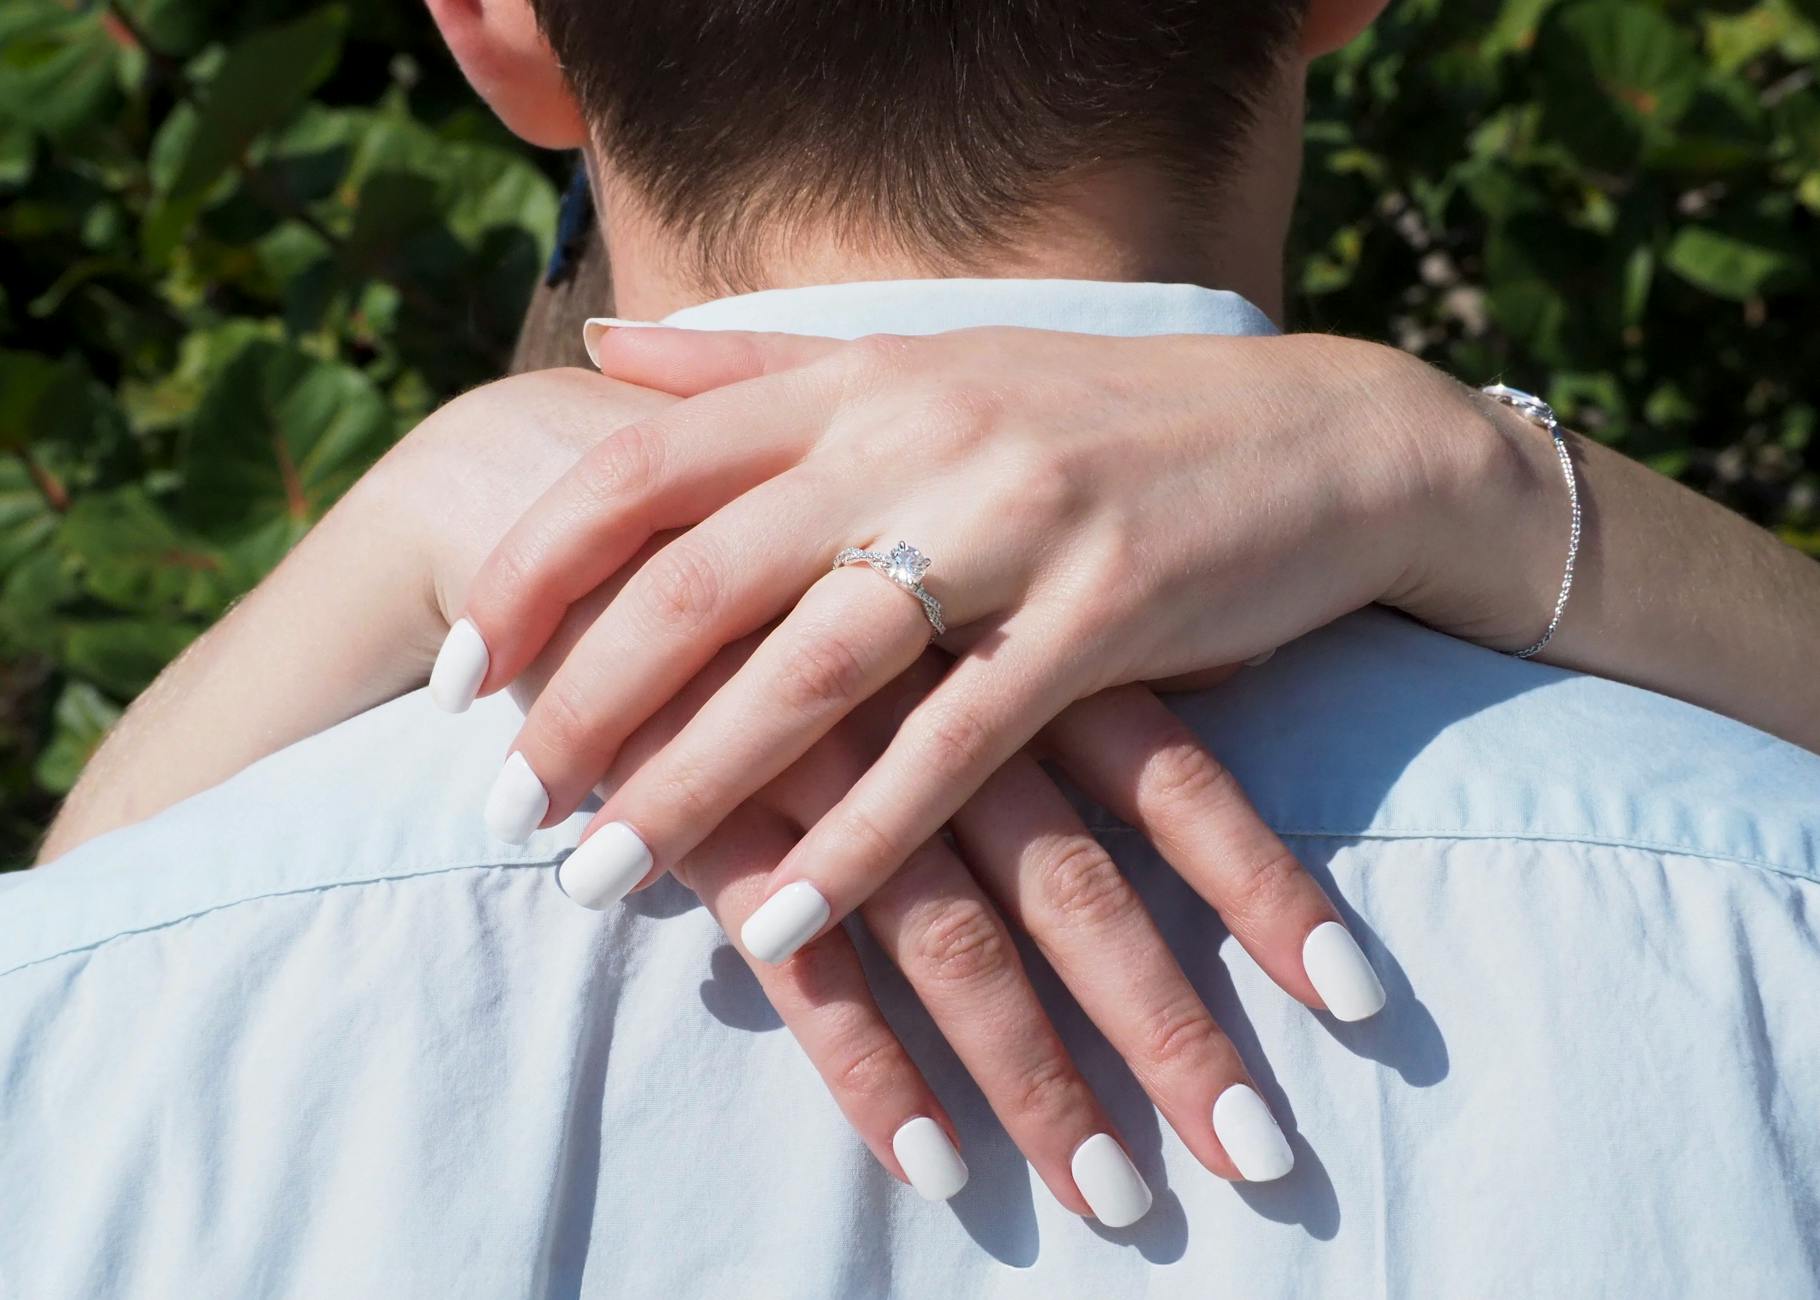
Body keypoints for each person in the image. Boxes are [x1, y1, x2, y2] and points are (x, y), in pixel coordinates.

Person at [6, 0, 1818, 1293]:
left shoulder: (86, 1023)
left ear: (490, 23)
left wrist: (405, 527)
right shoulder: (1766, 898)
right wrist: (1487, 478)